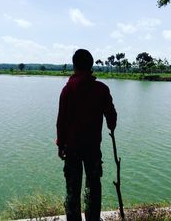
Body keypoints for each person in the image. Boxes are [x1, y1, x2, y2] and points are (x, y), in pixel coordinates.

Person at [56, 49, 117, 221]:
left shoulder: (67, 90)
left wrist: (60, 145)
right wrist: (111, 126)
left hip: (72, 148)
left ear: (74, 66)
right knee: (93, 186)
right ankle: (92, 218)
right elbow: (111, 115)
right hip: (92, 148)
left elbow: (62, 122)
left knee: (72, 190)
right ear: (90, 66)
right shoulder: (101, 89)